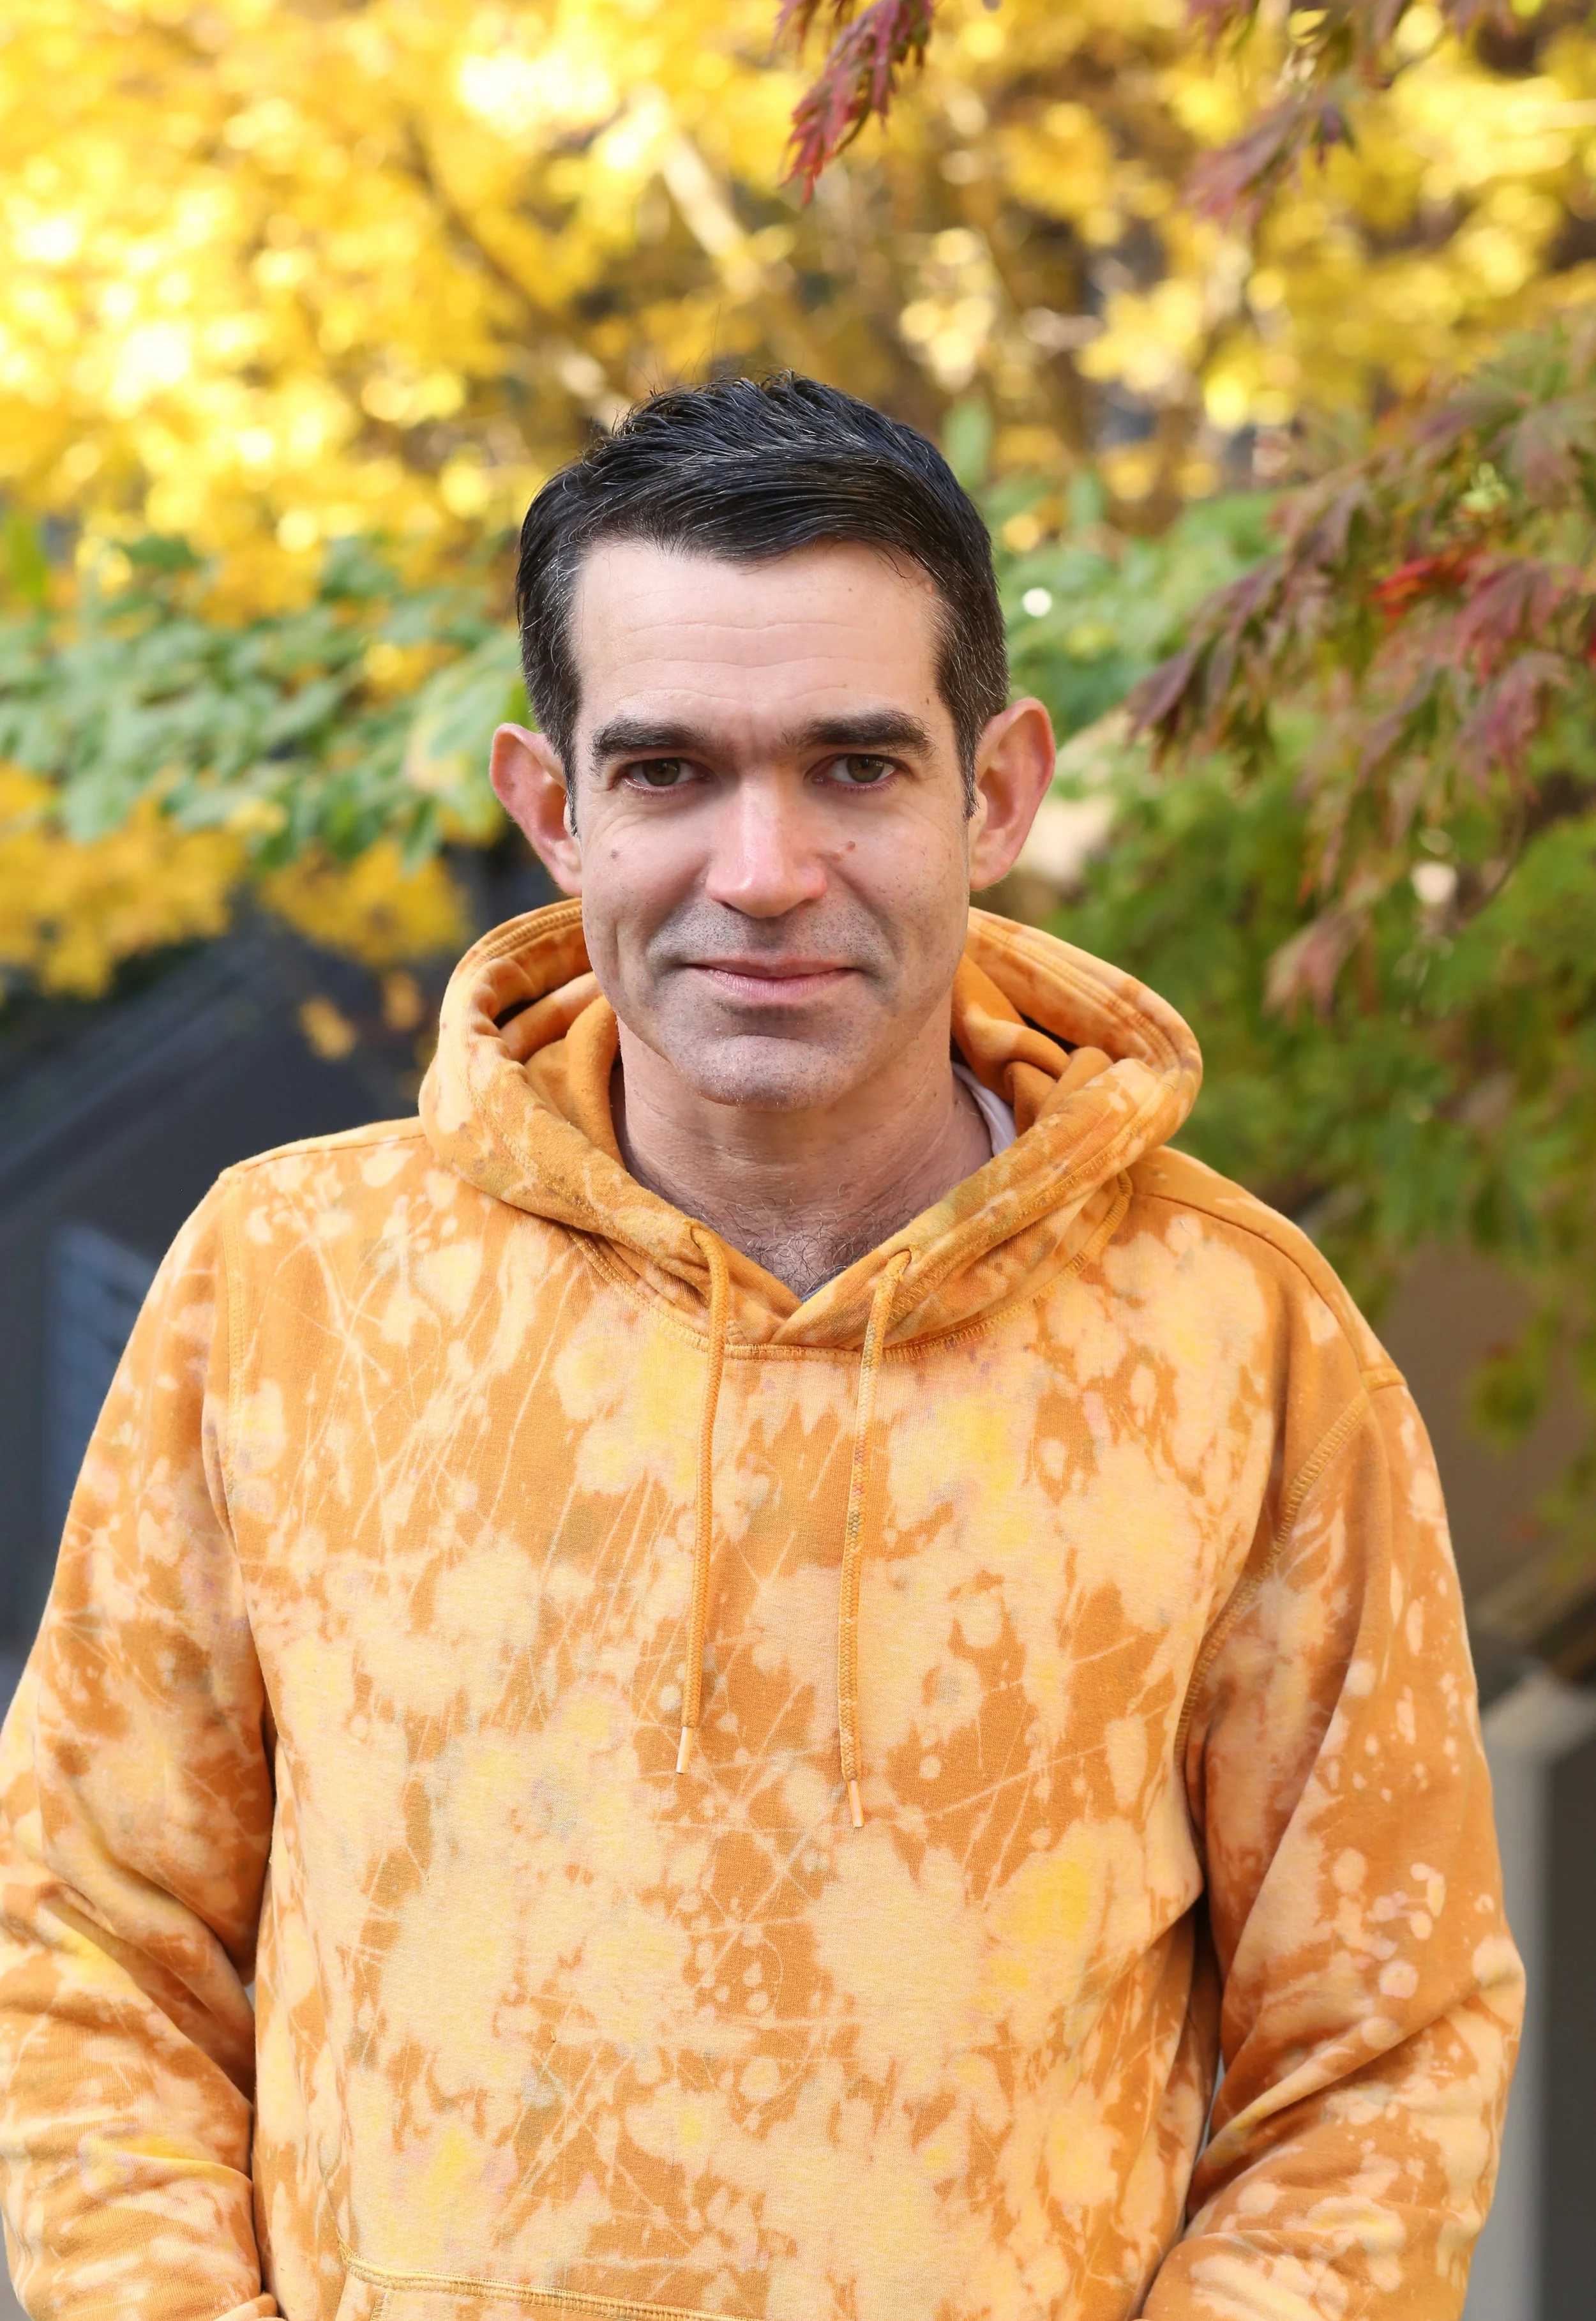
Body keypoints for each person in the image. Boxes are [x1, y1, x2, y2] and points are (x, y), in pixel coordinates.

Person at [0, 375, 1519, 2321]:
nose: (764, 868)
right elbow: (96, 1942)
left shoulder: (1232, 1336)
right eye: (667, 772)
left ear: (998, 789)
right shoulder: (290, 1281)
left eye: (854, 766)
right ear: (550, 807)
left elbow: (1379, 2054)